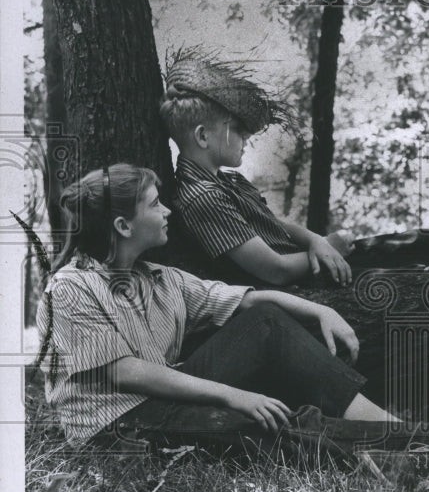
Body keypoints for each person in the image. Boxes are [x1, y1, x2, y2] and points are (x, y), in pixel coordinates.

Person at [36, 164, 408, 452]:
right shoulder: (70, 288)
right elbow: (126, 373)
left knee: (265, 323)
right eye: (154, 204)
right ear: (123, 225)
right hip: (116, 428)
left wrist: (321, 312)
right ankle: (419, 449)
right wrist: (232, 395)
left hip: (163, 400)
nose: (167, 211)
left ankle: (399, 432)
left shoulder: (160, 278)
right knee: (260, 424)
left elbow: (249, 301)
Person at [160, 48, 354, 288]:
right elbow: (275, 270)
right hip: (290, 288)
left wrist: (317, 241)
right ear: (203, 136)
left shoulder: (231, 180)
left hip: (305, 266)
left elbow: (277, 226)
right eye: (239, 131)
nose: (246, 139)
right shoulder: (202, 198)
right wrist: (331, 249)